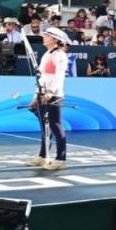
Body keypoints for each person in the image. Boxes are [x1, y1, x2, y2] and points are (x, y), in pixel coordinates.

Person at [24, 28, 71, 171]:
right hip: (42, 95)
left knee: (55, 125)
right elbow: (42, 78)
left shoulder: (60, 55)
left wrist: (51, 92)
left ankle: (61, 159)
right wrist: (36, 96)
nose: (44, 37)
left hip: (53, 95)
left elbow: (59, 77)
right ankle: (43, 156)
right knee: (45, 128)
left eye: (47, 36)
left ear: (55, 39)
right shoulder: (46, 55)